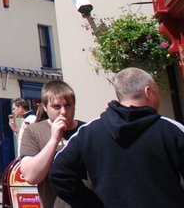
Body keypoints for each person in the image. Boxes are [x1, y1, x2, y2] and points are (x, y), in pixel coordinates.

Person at [50, 67, 184, 207]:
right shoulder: (172, 130)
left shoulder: (88, 132)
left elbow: (59, 173)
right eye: (157, 91)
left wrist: (93, 204)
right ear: (148, 92)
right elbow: (59, 174)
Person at [18, 80, 82, 208]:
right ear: (45, 107)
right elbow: (31, 176)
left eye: (68, 105)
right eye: (57, 107)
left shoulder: (86, 130)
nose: (63, 112)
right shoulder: (33, 131)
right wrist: (54, 140)